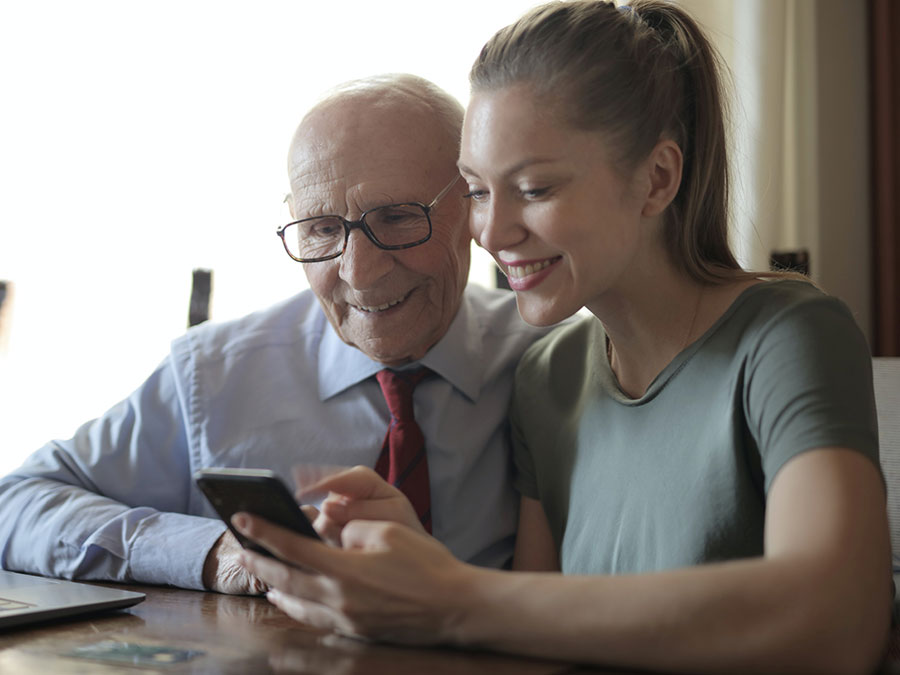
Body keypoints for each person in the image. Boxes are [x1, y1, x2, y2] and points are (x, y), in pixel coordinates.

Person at [233, 2, 892, 672]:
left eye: (534, 187)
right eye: (479, 191)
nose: (491, 233)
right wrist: (421, 569)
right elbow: (536, 631)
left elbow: (841, 618)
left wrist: (450, 594)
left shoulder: (787, 334)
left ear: (657, 178)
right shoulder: (549, 375)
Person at [0, 74, 554, 594]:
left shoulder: (556, 364)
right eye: (322, 229)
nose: (358, 272)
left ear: (475, 206)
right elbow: (15, 505)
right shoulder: (214, 374)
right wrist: (217, 552)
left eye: (398, 218)